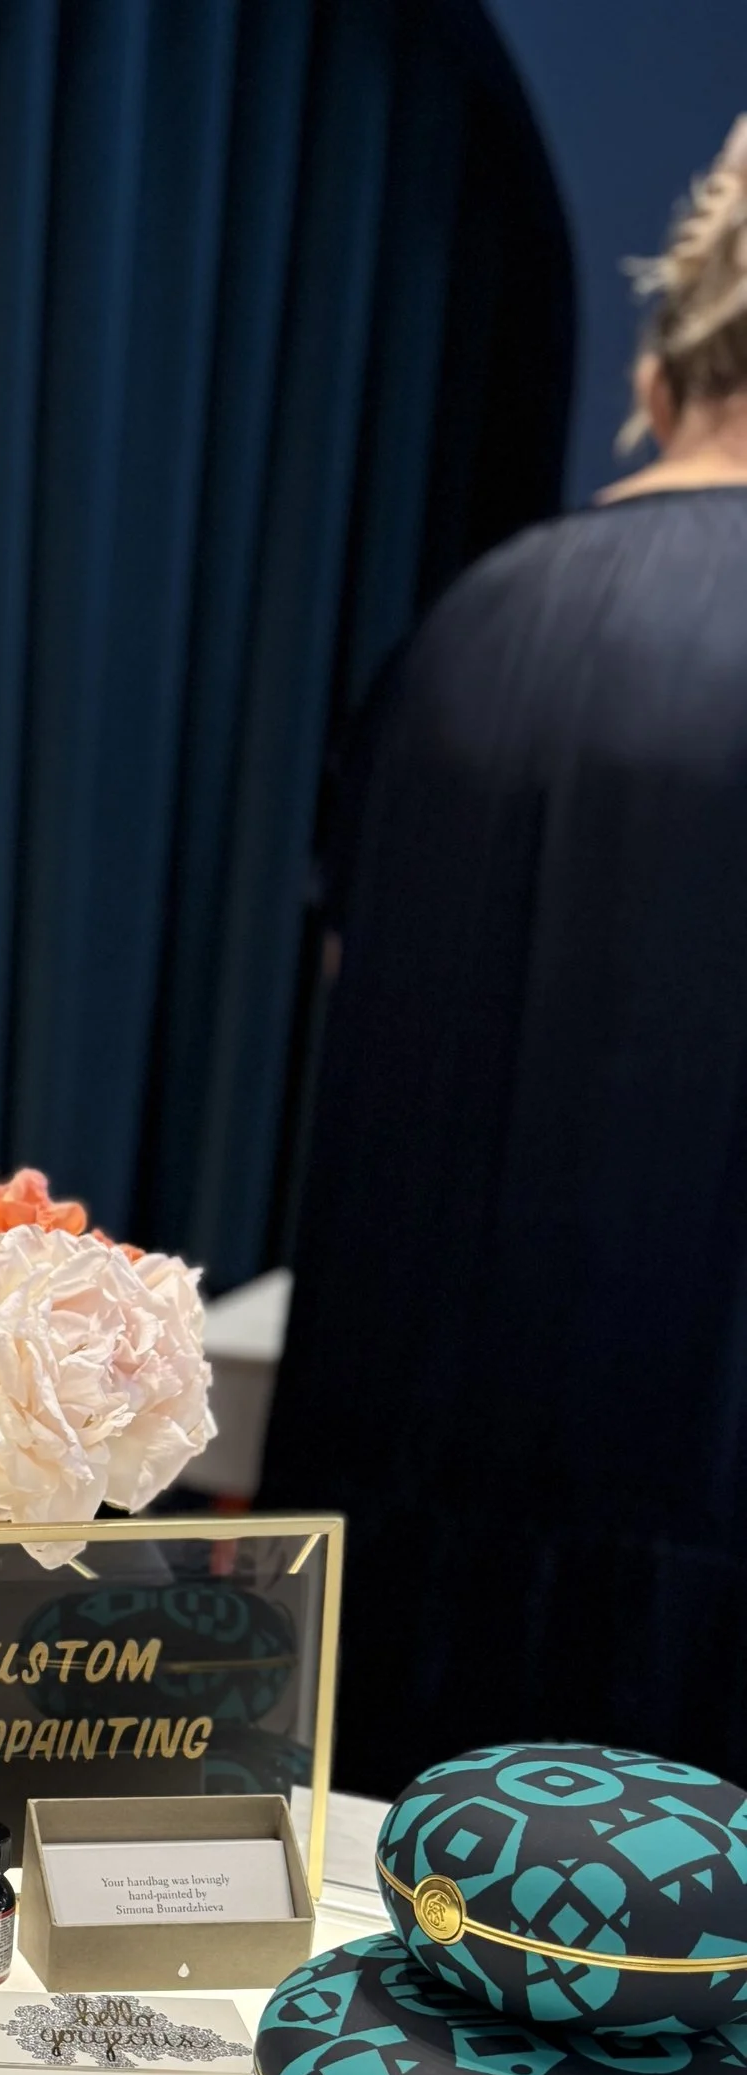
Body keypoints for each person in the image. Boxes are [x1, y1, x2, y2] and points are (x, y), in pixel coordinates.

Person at [262, 122, 747, 1796]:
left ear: (656, 371)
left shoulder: (470, 625)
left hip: (402, 1552)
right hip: (703, 1587)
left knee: (396, 1990)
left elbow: (348, 999)